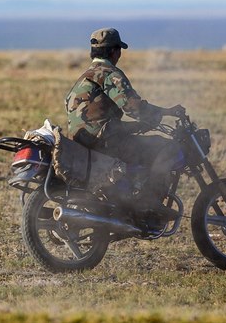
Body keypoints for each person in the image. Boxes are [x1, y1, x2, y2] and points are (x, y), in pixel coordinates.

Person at [65, 27, 184, 224]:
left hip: (84, 142)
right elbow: (133, 107)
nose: (120, 54)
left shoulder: (84, 77)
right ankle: (150, 201)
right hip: (105, 140)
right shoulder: (110, 74)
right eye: (119, 50)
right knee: (166, 147)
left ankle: (128, 196)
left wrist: (138, 125)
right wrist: (165, 112)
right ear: (114, 51)